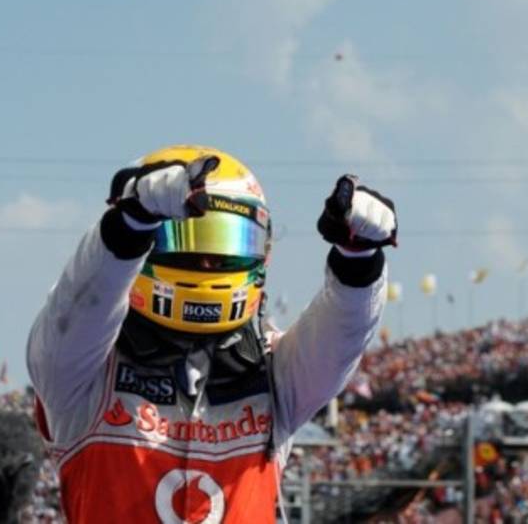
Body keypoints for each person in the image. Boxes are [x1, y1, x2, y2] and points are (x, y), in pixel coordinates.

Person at [26, 145, 397, 523]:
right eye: (185, 239)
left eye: (227, 242)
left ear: (264, 250)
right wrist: (126, 227)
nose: (206, 262)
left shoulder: (274, 371)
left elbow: (342, 338)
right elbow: (74, 313)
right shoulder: (86, 373)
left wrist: (360, 260)